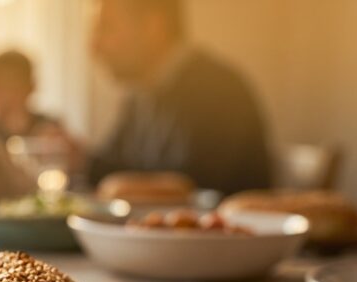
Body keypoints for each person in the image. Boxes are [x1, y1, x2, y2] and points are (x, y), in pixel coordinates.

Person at [87, 0, 273, 194]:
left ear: (153, 27)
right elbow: (113, 166)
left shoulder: (217, 90)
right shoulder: (139, 96)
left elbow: (191, 187)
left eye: (106, 27)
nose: (94, 46)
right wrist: (82, 161)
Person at [0, 50, 63, 144]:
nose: (7, 96)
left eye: (14, 87)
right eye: (0, 87)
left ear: (31, 87)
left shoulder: (50, 129)